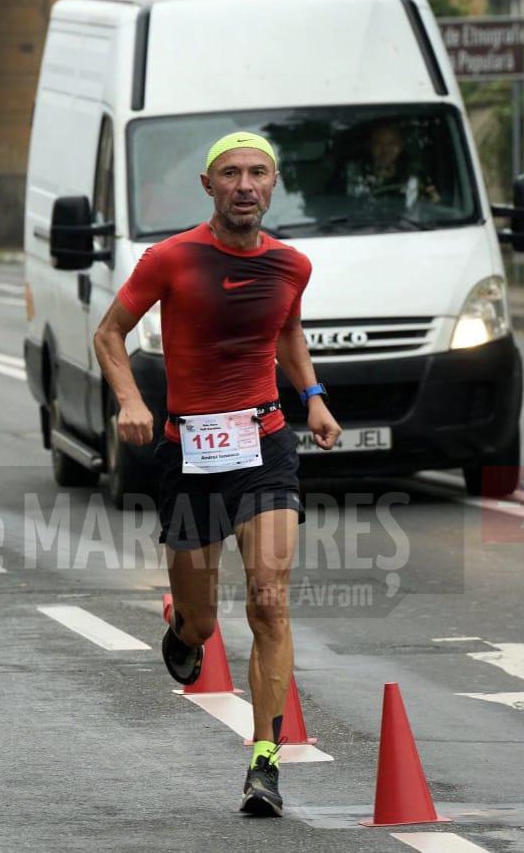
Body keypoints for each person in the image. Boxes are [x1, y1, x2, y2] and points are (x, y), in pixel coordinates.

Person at [92, 131, 342, 817]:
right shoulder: (170, 258)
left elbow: (285, 330)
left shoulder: (291, 265)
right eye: (229, 172)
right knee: (202, 622)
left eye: (257, 172)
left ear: (273, 184)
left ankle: (263, 759)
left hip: (264, 442)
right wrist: (131, 400)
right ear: (207, 186)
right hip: (191, 451)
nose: (243, 184)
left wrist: (312, 397)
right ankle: (181, 628)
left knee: (268, 597)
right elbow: (108, 333)